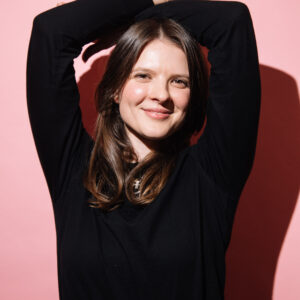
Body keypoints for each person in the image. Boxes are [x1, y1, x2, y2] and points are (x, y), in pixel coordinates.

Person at [26, 0, 261, 299]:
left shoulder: (212, 176)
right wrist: (136, 16)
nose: (161, 95)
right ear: (114, 88)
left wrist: (142, 19)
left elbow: (232, 22)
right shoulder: (73, 169)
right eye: (143, 75)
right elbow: (51, 31)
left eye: (179, 81)